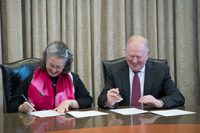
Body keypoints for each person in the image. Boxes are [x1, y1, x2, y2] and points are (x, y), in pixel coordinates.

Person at [98, 35, 185, 109]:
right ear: (125, 52)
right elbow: (101, 99)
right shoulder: (114, 70)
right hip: (123, 122)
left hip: (152, 122)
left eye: (139, 57)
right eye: (131, 56)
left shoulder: (160, 70)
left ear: (147, 55)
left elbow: (178, 97)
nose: (134, 61)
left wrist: (160, 102)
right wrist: (108, 101)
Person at [10, 41, 93, 113]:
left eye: (58, 67)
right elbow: (12, 104)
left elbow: (88, 100)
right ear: (45, 61)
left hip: (66, 126)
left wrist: (69, 103)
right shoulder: (33, 78)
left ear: (65, 66)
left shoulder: (72, 79)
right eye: (51, 65)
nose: (53, 70)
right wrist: (21, 107)